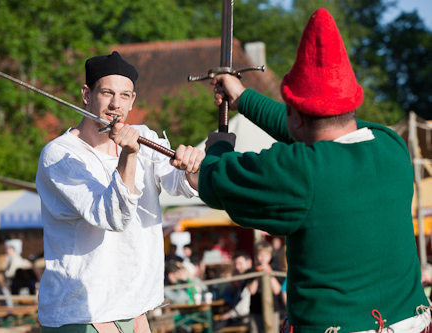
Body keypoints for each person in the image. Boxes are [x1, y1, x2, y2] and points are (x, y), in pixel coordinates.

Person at [200, 7, 430, 332]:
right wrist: (244, 98)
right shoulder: (391, 144)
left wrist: (217, 147)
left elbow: (216, 181)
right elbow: (315, 125)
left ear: (296, 114)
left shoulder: (299, 169)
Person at [36, 51, 204, 332]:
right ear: (86, 95)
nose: (116, 104)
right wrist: (129, 155)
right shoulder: (60, 155)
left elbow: (185, 185)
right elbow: (111, 216)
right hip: (82, 311)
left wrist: (193, 164)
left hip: (134, 306)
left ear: (133, 100)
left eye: (125, 95)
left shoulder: (145, 136)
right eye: (107, 93)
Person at [215, 250, 255, 331]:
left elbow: (244, 308)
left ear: (249, 262)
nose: (237, 267)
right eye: (236, 264)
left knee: (218, 327)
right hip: (242, 316)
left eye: (240, 263)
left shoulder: (251, 276)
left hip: (248, 318)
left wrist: (230, 314)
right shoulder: (242, 279)